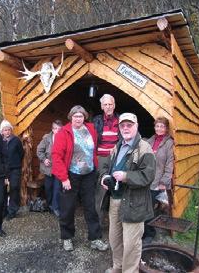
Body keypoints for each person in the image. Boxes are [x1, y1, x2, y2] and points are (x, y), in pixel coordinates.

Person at [100, 113, 156, 273]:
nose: (125, 128)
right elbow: (105, 167)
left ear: (136, 126)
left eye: (129, 125)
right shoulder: (117, 146)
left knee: (131, 244)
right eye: (122, 125)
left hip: (134, 203)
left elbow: (149, 175)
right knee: (115, 239)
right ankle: (117, 267)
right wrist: (104, 177)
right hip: (115, 200)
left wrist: (126, 176)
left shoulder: (145, 148)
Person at [52, 105, 108, 252]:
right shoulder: (64, 132)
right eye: (75, 116)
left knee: (91, 207)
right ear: (71, 117)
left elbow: (94, 149)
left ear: (85, 117)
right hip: (71, 175)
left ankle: (95, 239)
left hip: (89, 174)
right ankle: (67, 238)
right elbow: (56, 156)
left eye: (81, 116)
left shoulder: (90, 129)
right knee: (68, 208)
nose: (78, 118)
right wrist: (64, 178)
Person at [142, 116, 174, 244]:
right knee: (143, 206)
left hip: (157, 181)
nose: (159, 128)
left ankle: (150, 233)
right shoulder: (149, 141)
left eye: (162, 126)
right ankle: (142, 232)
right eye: (157, 126)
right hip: (146, 180)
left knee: (151, 209)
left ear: (166, 129)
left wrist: (164, 182)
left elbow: (169, 164)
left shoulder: (169, 143)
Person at [93, 94, 120, 226]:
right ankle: (97, 223)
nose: (108, 107)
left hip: (117, 158)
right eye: (105, 105)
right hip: (101, 159)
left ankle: (116, 223)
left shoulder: (121, 120)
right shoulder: (96, 120)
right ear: (102, 106)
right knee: (100, 190)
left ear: (114, 105)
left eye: (110, 104)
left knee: (117, 188)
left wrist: (118, 147)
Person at [37, 120, 63, 217]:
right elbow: (39, 150)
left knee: (57, 188)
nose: (57, 131)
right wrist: (44, 159)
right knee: (48, 188)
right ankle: (50, 205)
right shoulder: (47, 138)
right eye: (55, 128)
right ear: (52, 129)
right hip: (48, 168)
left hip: (59, 168)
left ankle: (55, 207)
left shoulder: (65, 138)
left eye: (59, 129)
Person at [0, 120, 24, 221]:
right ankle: (3, 210)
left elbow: (21, 153)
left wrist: (16, 161)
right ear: (2, 131)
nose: (7, 132)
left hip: (15, 168)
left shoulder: (16, 140)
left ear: (11, 130)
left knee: (14, 187)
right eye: (5, 130)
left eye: (9, 130)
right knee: (2, 189)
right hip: (3, 169)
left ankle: (13, 210)